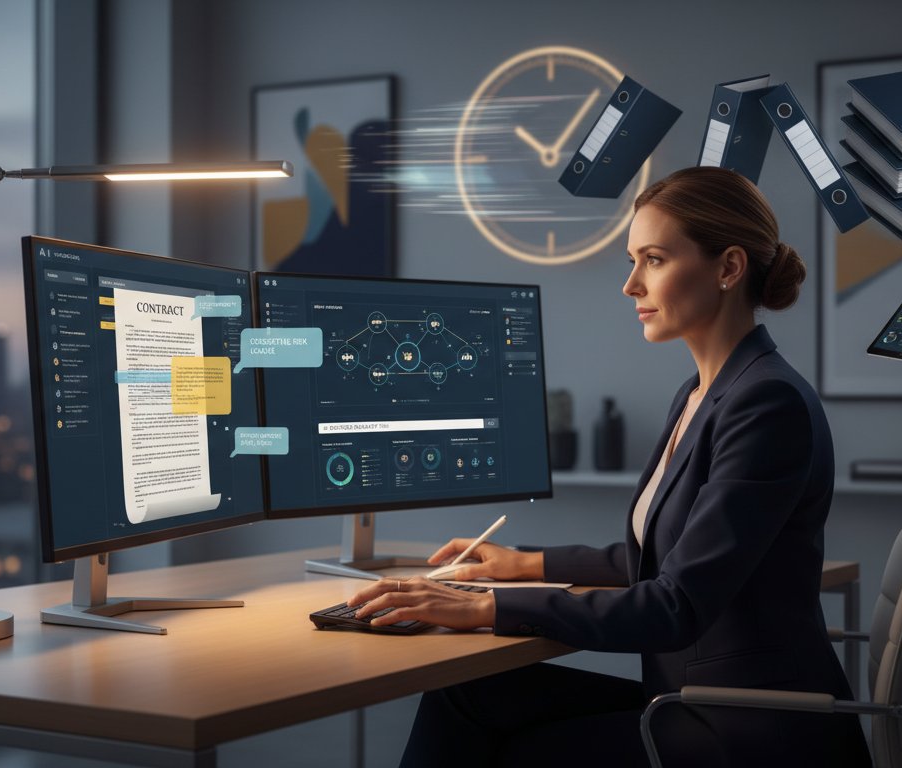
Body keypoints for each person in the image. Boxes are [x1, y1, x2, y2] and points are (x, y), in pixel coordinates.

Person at [347, 167, 872, 767]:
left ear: (729, 267)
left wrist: (484, 607)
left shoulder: (765, 403)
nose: (630, 285)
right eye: (632, 261)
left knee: (512, 750)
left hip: (747, 727)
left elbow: (675, 604)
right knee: (465, 695)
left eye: (653, 260)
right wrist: (525, 564)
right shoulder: (701, 393)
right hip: (692, 701)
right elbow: (666, 556)